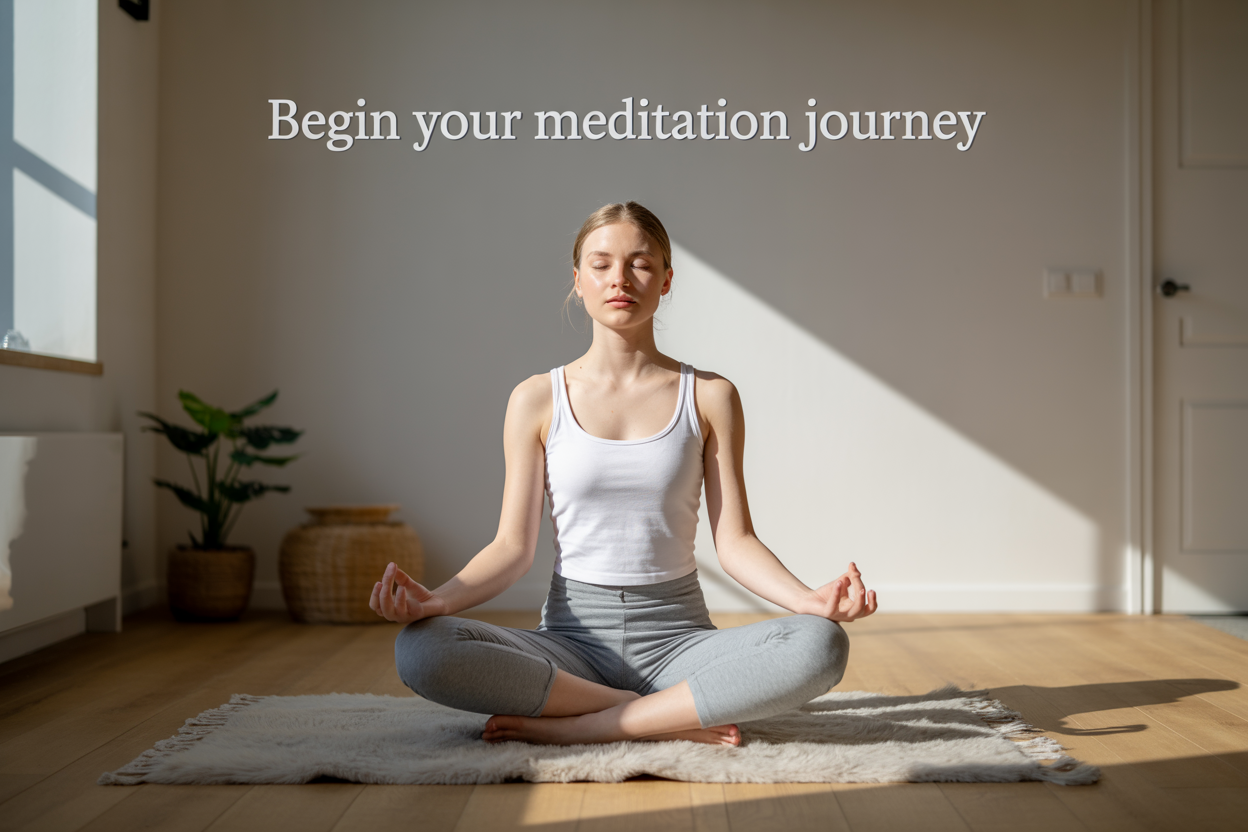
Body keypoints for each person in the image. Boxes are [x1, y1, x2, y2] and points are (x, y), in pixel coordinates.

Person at [369, 201, 878, 746]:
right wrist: (437, 602)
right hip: (570, 646)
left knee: (821, 645)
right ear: (577, 280)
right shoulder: (537, 399)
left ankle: (591, 725)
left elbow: (735, 542)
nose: (620, 279)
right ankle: (662, 717)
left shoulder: (710, 396)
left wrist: (807, 601)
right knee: (419, 647)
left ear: (666, 280)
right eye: (601, 263)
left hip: (680, 642)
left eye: (640, 263)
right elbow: (512, 549)